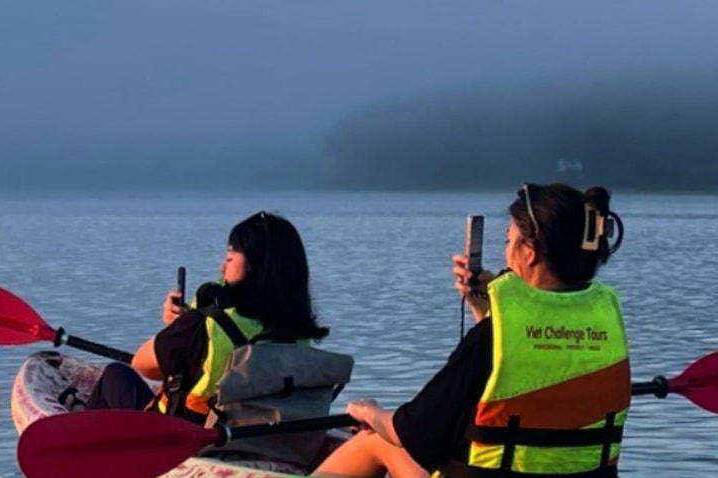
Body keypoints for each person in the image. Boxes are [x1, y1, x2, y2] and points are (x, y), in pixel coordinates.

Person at [312, 183, 629, 478]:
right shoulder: (605, 327)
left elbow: (413, 433)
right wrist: (484, 306)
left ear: (529, 252)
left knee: (377, 440)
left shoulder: (490, 339)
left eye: (508, 240)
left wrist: (369, 412)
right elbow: (520, 365)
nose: (506, 251)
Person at [82, 210, 334, 422]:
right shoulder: (299, 333)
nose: (221, 267)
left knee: (116, 376)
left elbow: (143, 364)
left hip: (190, 438)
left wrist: (179, 328)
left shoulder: (205, 323)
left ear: (256, 266)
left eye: (229, 257)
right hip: (260, 438)